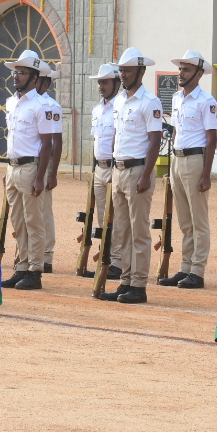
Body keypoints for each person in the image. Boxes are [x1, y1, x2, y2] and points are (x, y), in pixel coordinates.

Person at [100, 47, 163, 305]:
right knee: (122, 231)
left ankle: (138, 284)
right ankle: (125, 281)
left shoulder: (150, 102)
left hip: (138, 170)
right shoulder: (119, 101)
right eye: (121, 70)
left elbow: (154, 140)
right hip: (119, 169)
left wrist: (147, 174)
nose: (123, 75)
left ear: (141, 72)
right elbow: (118, 135)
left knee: (139, 230)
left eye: (127, 70)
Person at [0, 49, 60, 289]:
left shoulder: (41, 105)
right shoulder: (12, 103)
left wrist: (41, 176)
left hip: (31, 167)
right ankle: (21, 266)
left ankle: (35, 270)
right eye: (16, 72)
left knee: (34, 222)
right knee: (18, 222)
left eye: (22, 73)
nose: (16, 76)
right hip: (13, 167)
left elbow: (47, 144)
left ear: (35, 78)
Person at [159, 50, 217, 289]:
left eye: (186, 69)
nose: (181, 73)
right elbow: (176, 131)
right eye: (180, 69)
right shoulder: (176, 98)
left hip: (196, 160)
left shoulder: (206, 101)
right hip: (178, 159)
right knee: (184, 219)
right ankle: (185, 267)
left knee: (198, 219)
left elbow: (211, 138)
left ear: (199, 73)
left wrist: (206, 173)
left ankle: (197, 270)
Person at [88, 63, 121, 279]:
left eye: (105, 82)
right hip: (99, 168)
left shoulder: (121, 106)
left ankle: (118, 262)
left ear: (116, 83)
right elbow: (95, 141)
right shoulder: (97, 109)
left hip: (115, 166)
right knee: (102, 217)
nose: (101, 86)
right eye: (100, 82)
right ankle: (106, 257)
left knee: (117, 217)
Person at [34, 63, 64, 271]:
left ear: (45, 83)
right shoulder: (21, 103)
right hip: (25, 163)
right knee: (29, 213)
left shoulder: (51, 106)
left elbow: (56, 141)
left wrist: (52, 172)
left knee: (43, 211)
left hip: (41, 164)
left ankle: (46, 255)